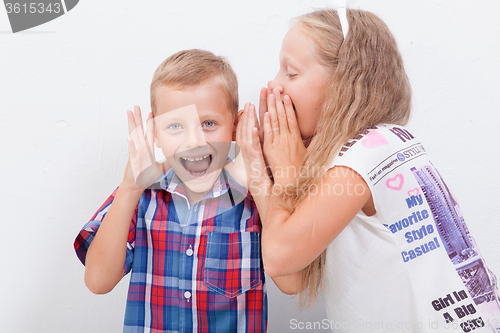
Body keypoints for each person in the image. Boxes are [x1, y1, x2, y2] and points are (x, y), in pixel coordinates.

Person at [236, 8, 500, 332]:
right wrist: (265, 166)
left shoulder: (370, 152)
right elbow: (294, 278)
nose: (274, 86)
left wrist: (272, 171)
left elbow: (279, 257)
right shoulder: (369, 147)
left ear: (344, 83)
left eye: (290, 73)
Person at [74, 49, 267, 333]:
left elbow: (293, 284)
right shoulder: (140, 193)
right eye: (175, 126)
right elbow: (98, 282)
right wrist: (130, 188)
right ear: (155, 132)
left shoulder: (255, 195)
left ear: (235, 126)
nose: (194, 141)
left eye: (209, 124)